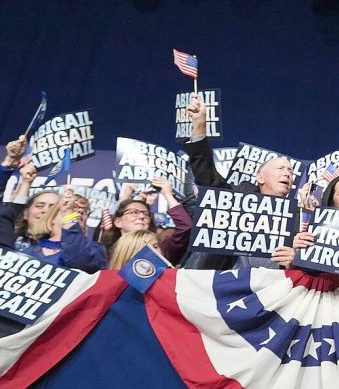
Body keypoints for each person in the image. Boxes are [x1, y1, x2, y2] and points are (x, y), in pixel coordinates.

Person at [182, 93, 295, 269]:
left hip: (273, 290)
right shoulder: (236, 197)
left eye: (290, 170)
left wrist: (295, 261)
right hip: (223, 284)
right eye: (280, 169)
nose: (287, 174)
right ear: (260, 177)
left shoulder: (296, 217)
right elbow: (206, 174)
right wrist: (199, 125)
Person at [0, 162, 107, 272]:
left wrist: (68, 218)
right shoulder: (18, 245)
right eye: (40, 205)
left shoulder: (93, 250)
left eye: (52, 208)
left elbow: (82, 261)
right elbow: (12, 215)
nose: (45, 210)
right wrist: (25, 182)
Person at [102, 178, 193, 264]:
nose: (142, 216)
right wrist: (125, 196)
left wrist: (168, 195)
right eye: (134, 212)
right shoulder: (105, 252)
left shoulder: (162, 250)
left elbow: (185, 227)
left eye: (146, 214)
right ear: (118, 222)